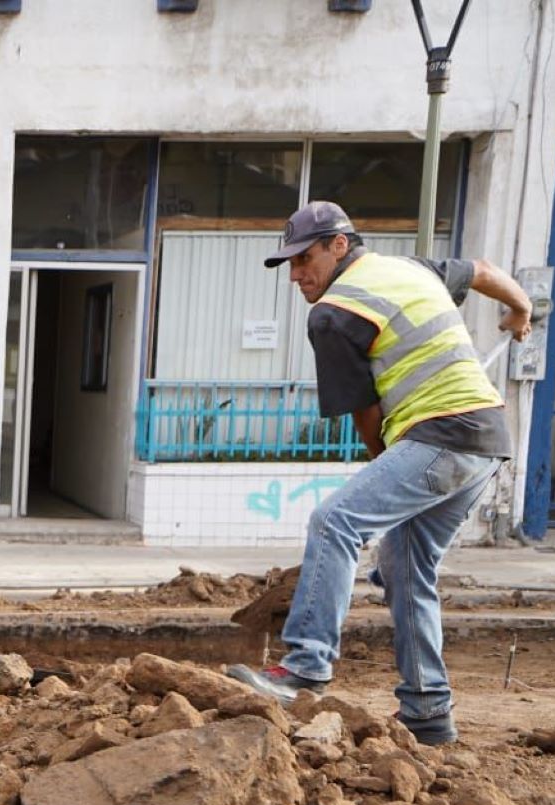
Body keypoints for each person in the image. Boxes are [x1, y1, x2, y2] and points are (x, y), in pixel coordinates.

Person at [226, 201, 533, 745]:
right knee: (404, 567)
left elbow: (368, 417)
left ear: (339, 245)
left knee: (335, 521)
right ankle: (429, 713)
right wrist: (521, 308)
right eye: (289, 265)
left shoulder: (333, 314)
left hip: (443, 434)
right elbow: (484, 271)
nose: (296, 276)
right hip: (487, 441)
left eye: (303, 260)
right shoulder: (411, 267)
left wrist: (384, 460)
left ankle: (305, 666)